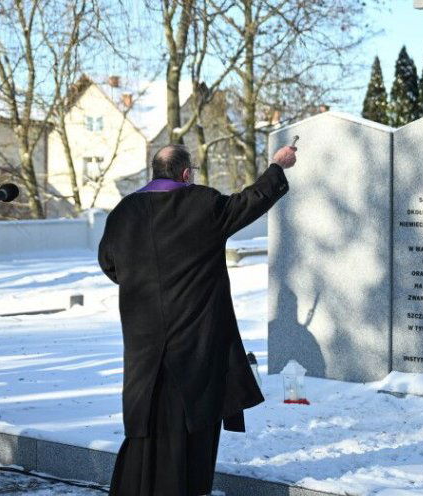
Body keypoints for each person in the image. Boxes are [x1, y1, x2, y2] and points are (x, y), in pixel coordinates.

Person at [99, 143, 297, 495]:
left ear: (153, 172)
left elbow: (109, 263)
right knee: (196, 417)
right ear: (186, 174)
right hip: (196, 337)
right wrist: (277, 166)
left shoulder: (123, 213)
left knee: (151, 415)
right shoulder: (203, 204)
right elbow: (249, 202)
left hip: (144, 339)